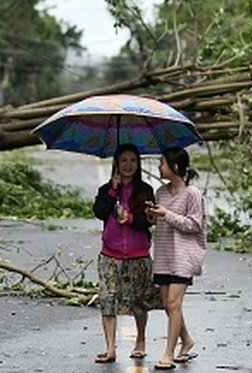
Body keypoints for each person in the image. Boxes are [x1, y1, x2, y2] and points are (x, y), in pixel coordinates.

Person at [92, 143, 159, 364]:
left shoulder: (145, 190)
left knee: (139, 300)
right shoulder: (106, 190)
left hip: (138, 254)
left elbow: (147, 221)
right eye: (123, 161)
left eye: (132, 160)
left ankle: (140, 340)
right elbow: (99, 212)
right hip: (110, 255)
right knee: (108, 299)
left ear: (138, 164)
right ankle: (110, 348)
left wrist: (129, 218)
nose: (128, 165)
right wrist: (112, 191)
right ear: (116, 164)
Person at [146, 147, 206, 370]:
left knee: (173, 303)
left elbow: (194, 225)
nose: (159, 167)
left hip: (184, 255)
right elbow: (157, 222)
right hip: (163, 254)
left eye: (162, 163)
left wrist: (166, 215)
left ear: (176, 167)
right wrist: (151, 215)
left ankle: (168, 354)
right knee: (168, 305)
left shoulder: (193, 194)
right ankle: (187, 340)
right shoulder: (160, 192)